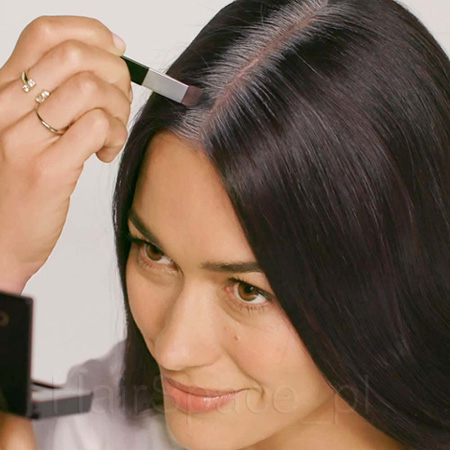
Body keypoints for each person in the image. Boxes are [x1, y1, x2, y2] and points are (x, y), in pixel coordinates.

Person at [0, 0, 449, 448]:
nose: (173, 350)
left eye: (248, 291)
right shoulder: (107, 425)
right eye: (155, 254)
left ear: (389, 276)